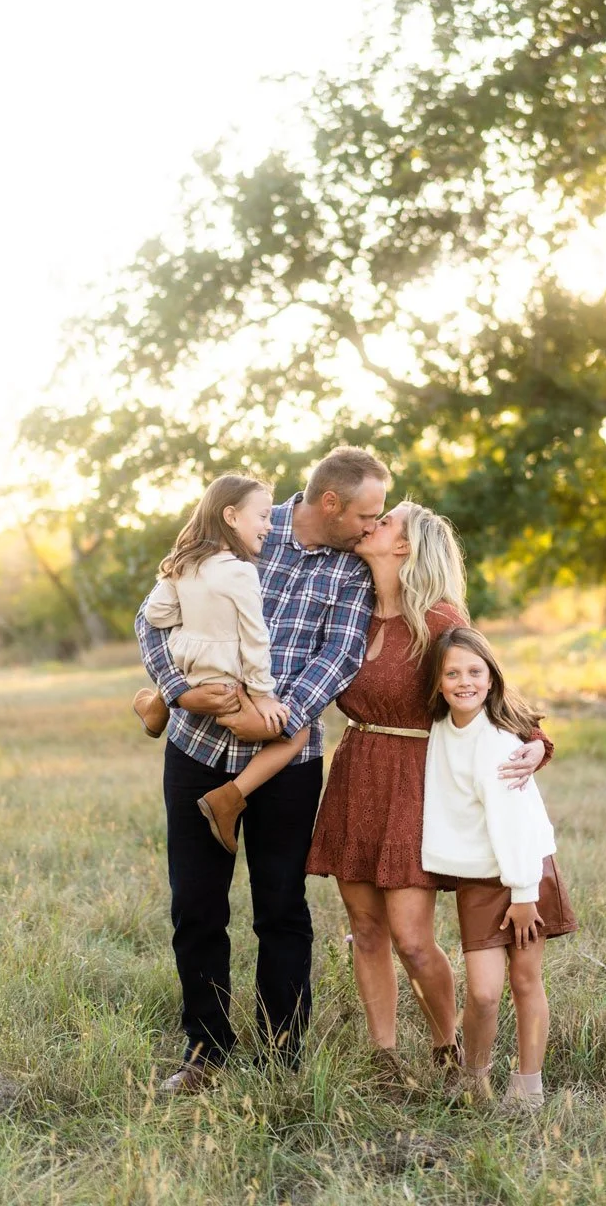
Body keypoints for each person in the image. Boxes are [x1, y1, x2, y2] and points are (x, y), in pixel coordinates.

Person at [135, 447, 389, 1094]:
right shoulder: (240, 526)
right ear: (328, 503)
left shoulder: (352, 568)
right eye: (365, 512)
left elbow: (340, 656)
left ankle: (282, 1057)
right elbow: (153, 616)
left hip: (288, 765)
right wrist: (178, 689)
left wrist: (277, 717)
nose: (371, 524)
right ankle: (205, 1051)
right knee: (196, 905)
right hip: (195, 747)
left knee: (280, 909)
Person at [305, 502, 552, 1086]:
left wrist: (539, 743)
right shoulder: (353, 612)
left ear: (406, 547)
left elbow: (493, 693)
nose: (372, 524)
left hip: (418, 782)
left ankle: (448, 1047)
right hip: (356, 770)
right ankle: (384, 1055)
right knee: (365, 930)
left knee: (413, 941)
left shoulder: (440, 621)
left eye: (386, 522)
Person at [421, 625, 577, 1114]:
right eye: (452, 673)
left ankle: (528, 1088)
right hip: (479, 881)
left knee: (526, 981)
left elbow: (514, 824)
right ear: (438, 682)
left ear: (490, 679)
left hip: (525, 873)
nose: (464, 681)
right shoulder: (438, 733)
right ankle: (475, 1081)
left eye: (474, 671)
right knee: (485, 993)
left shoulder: (497, 742)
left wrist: (526, 893)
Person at [132, 475, 305, 854]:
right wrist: (263, 696)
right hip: (228, 682)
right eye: (261, 516)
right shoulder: (242, 571)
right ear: (230, 515)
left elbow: (157, 614)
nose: (269, 525)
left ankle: (156, 705)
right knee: (301, 734)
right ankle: (226, 799)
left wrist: (195, 620)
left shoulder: (184, 562)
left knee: (182, 673)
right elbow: (255, 637)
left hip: (189, 670)